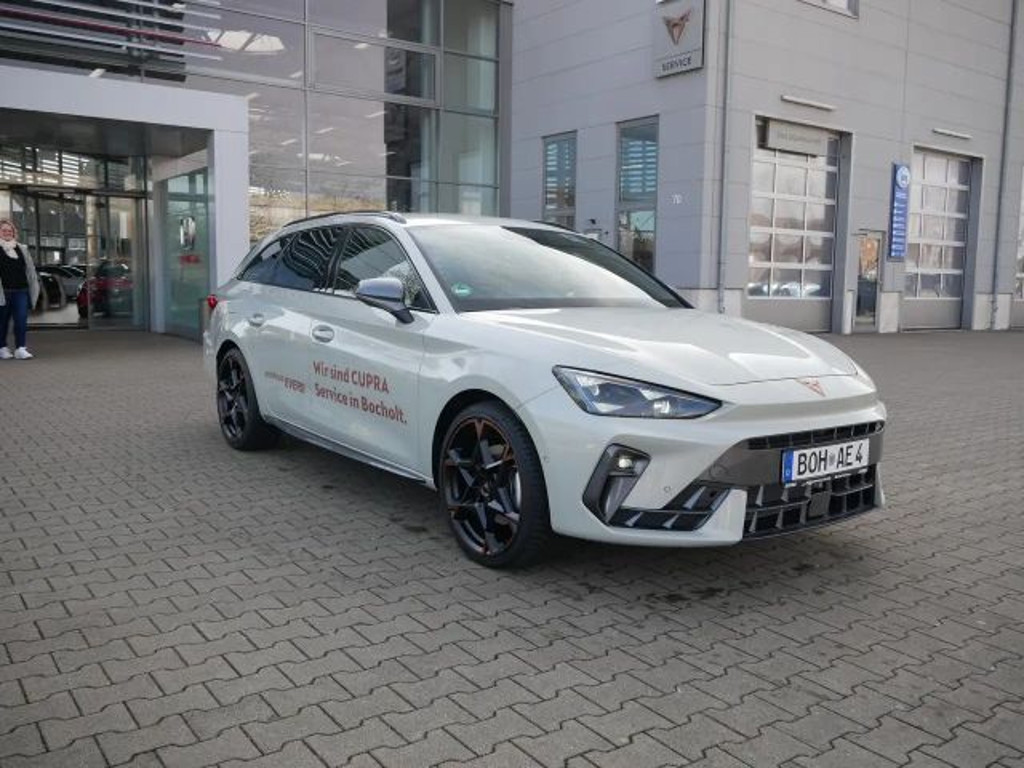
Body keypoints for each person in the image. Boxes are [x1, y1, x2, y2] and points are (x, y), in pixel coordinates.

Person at [0, 220, 40, 360]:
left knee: (21, 320)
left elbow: (29, 269)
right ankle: (2, 348)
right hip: (3, 292)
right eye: (4, 230)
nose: (7, 232)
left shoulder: (22, 248)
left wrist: (33, 285)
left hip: (21, 290)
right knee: (2, 321)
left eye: (10, 230)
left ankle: (20, 348)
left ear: (14, 232)